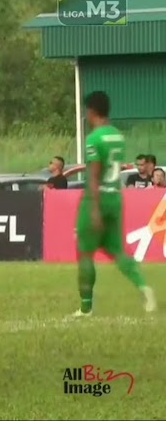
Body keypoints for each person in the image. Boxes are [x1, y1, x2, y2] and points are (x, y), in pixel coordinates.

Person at [74, 91, 156, 317]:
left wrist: (93, 209)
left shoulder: (94, 139)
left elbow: (94, 175)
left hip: (97, 197)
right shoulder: (117, 136)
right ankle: (143, 287)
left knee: (85, 252)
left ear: (91, 111)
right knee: (118, 251)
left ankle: (85, 308)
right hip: (115, 198)